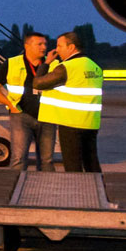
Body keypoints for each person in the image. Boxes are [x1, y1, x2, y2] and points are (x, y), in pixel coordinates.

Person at [32, 30, 104, 172]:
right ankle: (97, 184)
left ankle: (76, 186)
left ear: (71, 47)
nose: (56, 50)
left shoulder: (66, 67)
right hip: (90, 121)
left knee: (72, 165)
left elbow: (37, 83)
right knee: (91, 162)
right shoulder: (94, 66)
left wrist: (46, 63)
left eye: (59, 46)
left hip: (71, 123)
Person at [0, 32, 55, 170]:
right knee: (19, 158)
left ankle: (46, 183)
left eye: (45, 44)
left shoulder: (53, 64)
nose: (44, 47)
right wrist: (10, 105)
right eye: (39, 44)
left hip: (48, 116)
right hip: (21, 116)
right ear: (27, 46)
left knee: (47, 160)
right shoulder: (12, 63)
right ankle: (16, 182)